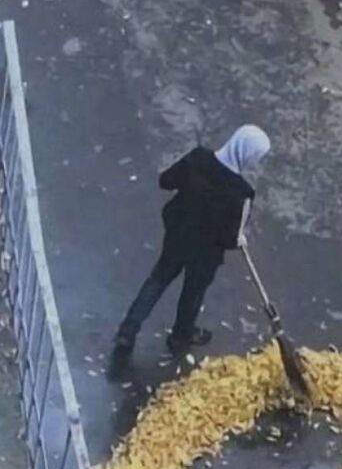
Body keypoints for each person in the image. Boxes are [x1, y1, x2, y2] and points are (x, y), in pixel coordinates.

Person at [113, 125, 270, 355]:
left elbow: (166, 180)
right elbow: (230, 238)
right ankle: (181, 335)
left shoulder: (198, 158)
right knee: (193, 293)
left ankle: (127, 331)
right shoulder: (241, 193)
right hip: (205, 254)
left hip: (178, 235)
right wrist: (239, 239)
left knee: (157, 280)